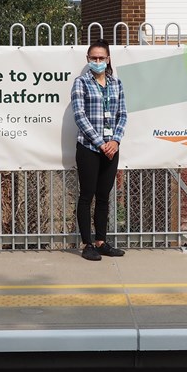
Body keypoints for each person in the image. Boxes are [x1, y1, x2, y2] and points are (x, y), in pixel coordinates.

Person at [71, 39, 127, 261]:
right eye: (93, 58)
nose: (97, 61)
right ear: (88, 59)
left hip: (111, 149)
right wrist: (100, 143)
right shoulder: (81, 83)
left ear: (108, 59)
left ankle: (101, 242)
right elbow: (79, 116)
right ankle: (87, 244)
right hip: (89, 148)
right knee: (87, 196)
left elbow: (122, 114)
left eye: (101, 58)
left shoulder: (116, 84)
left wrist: (115, 141)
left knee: (104, 196)